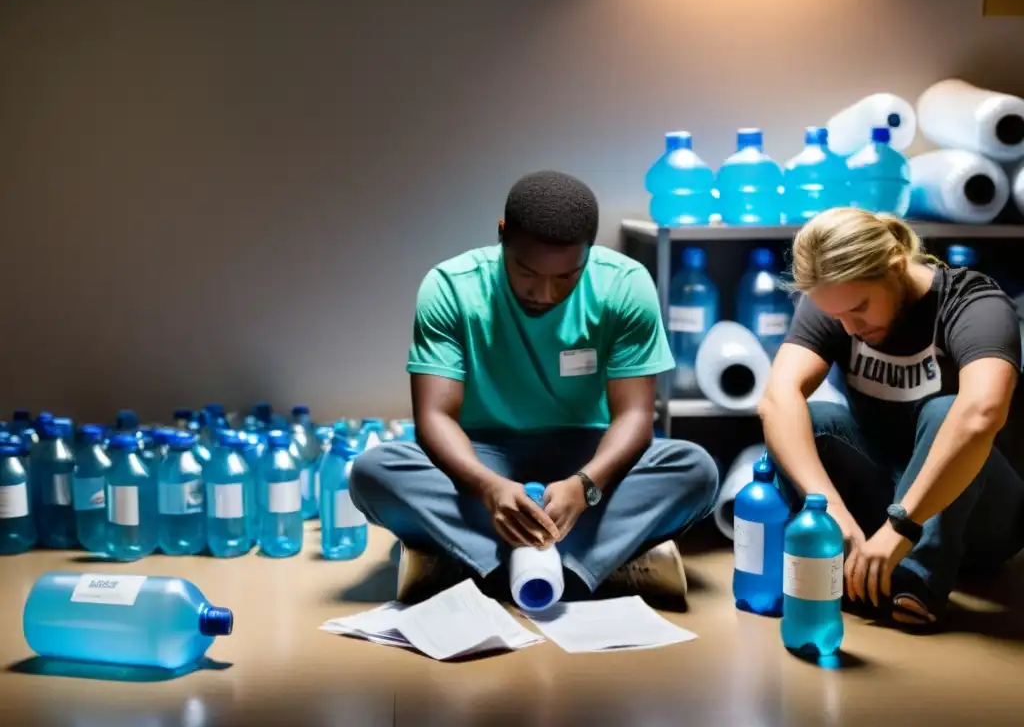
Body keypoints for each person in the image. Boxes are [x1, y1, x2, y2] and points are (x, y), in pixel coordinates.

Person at [349, 170, 719, 605]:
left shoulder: (624, 285)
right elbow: (434, 417)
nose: (544, 292)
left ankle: (479, 564)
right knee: (373, 473)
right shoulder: (451, 287)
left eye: (566, 277)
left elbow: (635, 416)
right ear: (503, 234)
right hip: (484, 457)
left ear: (590, 252)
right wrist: (488, 488)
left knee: (696, 471)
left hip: (586, 455)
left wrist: (585, 486)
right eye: (526, 271)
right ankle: (590, 566)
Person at [759, 207, 1024, 629]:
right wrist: (828, 510)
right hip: (887, 499)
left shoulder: (974, 303)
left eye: (860, 308)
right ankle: (858, 565)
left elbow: (982, 413)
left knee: (949, 409)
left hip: (979, 513)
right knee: (813, 418)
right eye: (836, 316)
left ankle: (914, 579)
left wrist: (904, 524)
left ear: (896, 267)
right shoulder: (839, 306)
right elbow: (777, 398)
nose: (848, 328)